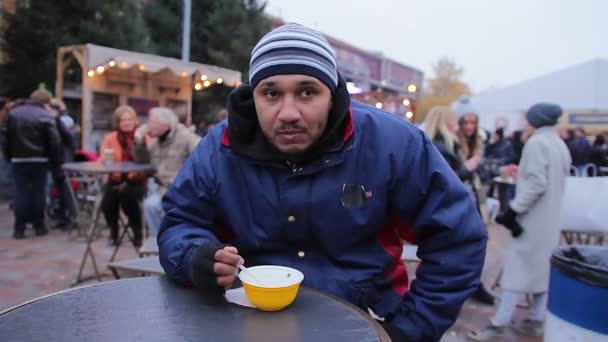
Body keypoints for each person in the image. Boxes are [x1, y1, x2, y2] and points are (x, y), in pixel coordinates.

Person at [158, 23, 487, 341]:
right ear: (252, 96)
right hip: (246, 314)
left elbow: (458, 239)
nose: (288, 112)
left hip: (369, 317)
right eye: (271, 93)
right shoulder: (219, 148)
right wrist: (195, 257)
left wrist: (411, 330)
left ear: (332, 95)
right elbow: (180, 222)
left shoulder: (393, 143)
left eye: (307, 92)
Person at [468, 103, 571, 341]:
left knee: (517, 271)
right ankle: (537, 318)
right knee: (543, 270)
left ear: (536, 119)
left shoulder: (536, 143)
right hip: (550, 217)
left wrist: (514, 210)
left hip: (531, 219)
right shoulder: (558, 144)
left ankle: (499, 323)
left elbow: (537, 183)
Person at [451, 96, 495, 305]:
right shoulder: (450, 144)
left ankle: (474, 285)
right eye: (465, 122)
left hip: (474, 199)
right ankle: (465, 286)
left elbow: (482, 171)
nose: (469, 126)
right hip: (457, 202)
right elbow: (448, 177)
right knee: (460, 246)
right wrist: (467, 167)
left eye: (473, 122)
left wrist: (501, 170)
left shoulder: (478, 142)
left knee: (477, 243)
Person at [0, 89, 62, 239]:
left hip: (18, 159)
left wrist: (9, 156)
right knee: (38, 193)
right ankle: (38, 225)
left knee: (21, 192)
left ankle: (19, 228)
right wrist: (54, 161)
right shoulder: (45, 115)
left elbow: (4, 137)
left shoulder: (14, 113)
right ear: (45, 102)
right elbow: (54, 141)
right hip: (40, 159)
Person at [133, 107, 200, 236]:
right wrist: (139, 142)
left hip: (182, 189)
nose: (148, 125)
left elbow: (203, 155)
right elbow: (142, 161)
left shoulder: (185, 136)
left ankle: (167, 241)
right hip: (162, 188)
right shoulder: (155, 141)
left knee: (157, 207)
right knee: (149, 205)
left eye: (151, 122)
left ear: (165, 125)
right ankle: (160, 242)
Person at [99, 105, 148, 247]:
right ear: (118, 123)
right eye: (122, 120)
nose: (126, 122)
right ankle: (113, 232)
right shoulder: (110, 138)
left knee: (128, 198)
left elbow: (148, 162)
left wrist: (130, 177)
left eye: (129, 119)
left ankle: (137, 232)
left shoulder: (143, 137)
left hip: (136, 181)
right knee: (107, 202)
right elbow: (104, 157)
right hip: (115, 178)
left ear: (135, 120)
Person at [48, 98, 76, 229]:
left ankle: (70, 219)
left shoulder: (65, 121)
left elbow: (69, 139)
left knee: (66, 192)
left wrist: (58, 119)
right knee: (60, 192)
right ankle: (63, 218)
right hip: (56, 161)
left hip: (64, 161)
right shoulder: (48, 121)